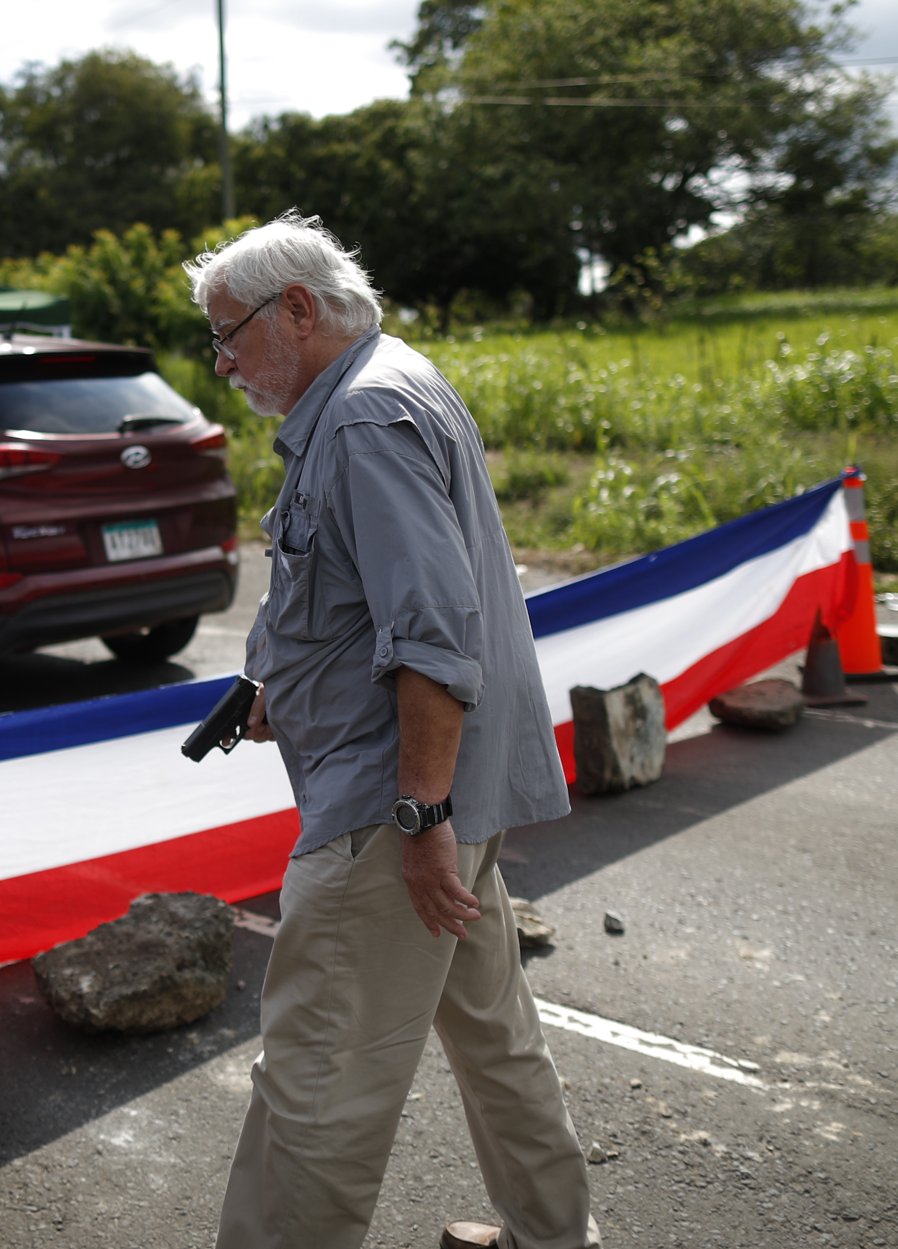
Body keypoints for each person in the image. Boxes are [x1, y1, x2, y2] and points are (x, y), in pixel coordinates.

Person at [188, 213, 598, 1249]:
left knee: (318, 1082)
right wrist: (287, 675)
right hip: (445, 796)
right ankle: (554, 1234)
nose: (224, 361)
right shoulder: (382, 383)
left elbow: (432, 635)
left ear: (297, 309)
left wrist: (420, 814)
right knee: (496, 1036)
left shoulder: (364, 417)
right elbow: (372, 597)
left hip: (395, 812)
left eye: (226, 334)